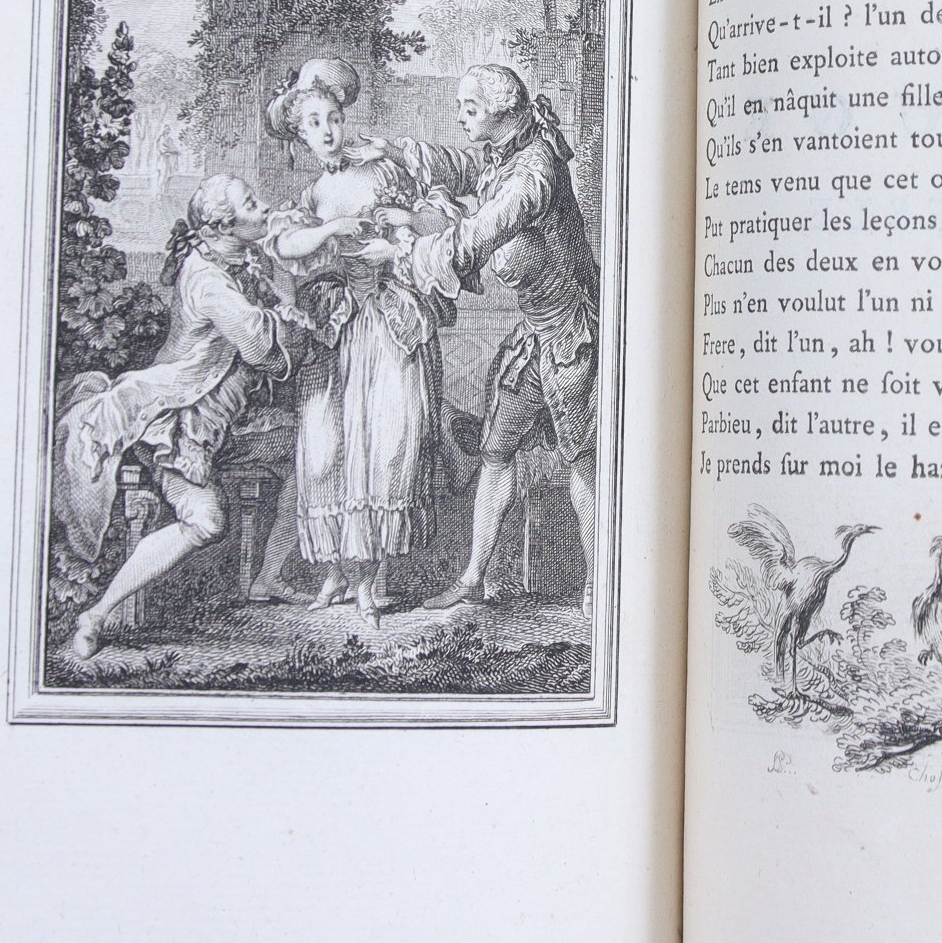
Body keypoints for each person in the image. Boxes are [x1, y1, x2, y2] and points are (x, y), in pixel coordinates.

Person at [52, 173, 303, 658]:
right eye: (251, 203)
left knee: (309, 448)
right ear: (222, 227)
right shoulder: (209, 282)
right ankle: (95, 616)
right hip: (184, 423)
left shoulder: (238, 258)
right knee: (205, 521)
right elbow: (263, 353)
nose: (263, 206)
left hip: (229, 421)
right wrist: (290, 319)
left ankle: (269, 576)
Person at [389, 63, 603, 612]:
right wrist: (400, 152)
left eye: (471, 109)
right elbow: (465, 168)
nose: (461, 117)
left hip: (574, 335)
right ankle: (471, 580)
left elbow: (486, 228)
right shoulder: (508, 151)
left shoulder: (534, 170)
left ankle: (597, 584)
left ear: (503, 111)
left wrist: (421, 254)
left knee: (583, 460)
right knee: (496, 450)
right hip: (533, 335)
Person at [260, 59, 449, 622]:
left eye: (334, 118)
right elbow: (285, 247)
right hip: (338, 331)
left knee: (387, 442)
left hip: (389, 325)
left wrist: (401, 232)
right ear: (299, 134)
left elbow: (432, 222)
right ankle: (336, 572)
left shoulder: (385, 170)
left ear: (346, 119)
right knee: (328, 450)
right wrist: (330, 233)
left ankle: (370, 578)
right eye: (313, 123)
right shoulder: (311, 196)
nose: (327, 131)